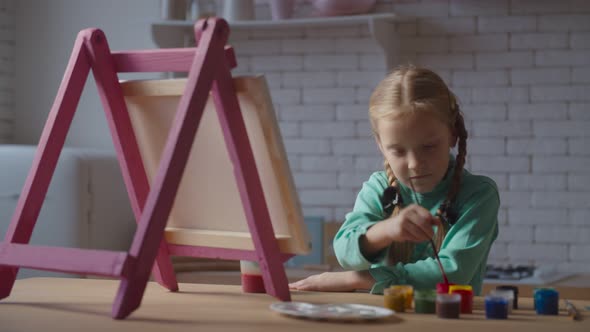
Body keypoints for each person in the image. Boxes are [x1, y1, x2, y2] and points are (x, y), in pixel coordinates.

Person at [289, 65, 499, 295]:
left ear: (453, 135)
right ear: (380, 145)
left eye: (428, 147)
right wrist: (387, 230)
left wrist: (359, 280)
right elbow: (345, 253)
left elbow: (453, 271)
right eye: (398, 151)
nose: (414, 164)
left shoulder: (479, 194)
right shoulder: (377, 188)